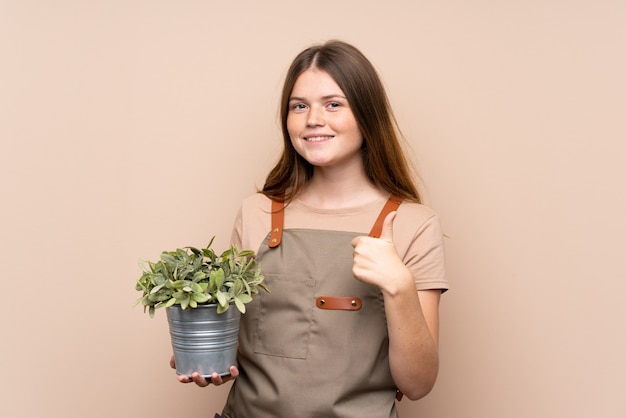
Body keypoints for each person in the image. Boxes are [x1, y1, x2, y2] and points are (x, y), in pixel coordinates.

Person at [172, 39, 448, 418]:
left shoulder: (413, 224)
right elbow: (248, 344)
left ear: (368, 115)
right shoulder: (256, 213)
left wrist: (399, 285)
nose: (312, 119)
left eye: (333, 104)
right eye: (299, 106)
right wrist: (207, 355)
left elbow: (418, 384)